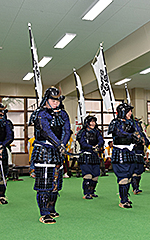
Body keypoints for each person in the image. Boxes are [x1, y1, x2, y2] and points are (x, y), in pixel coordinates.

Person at [29, 87, 71, 224]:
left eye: (57, 100)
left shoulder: (63, 114)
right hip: (44, 151)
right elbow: (46, 131)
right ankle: (44, 213)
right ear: (47, 99)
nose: (55, 103)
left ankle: (51, 208)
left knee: (56, 183)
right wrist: (58, 144)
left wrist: (63, 144)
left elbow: (66, 130)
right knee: (44, 184)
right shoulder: (40, 114)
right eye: (53, 100)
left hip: (58, 151)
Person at [108, 102, 140, 209]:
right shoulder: (115, 122)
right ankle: (123, 200)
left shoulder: (132, 123)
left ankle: (126, 196)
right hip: (120, 152)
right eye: (128, 111)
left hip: (130, 152)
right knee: (123, 176)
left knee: (130, 175)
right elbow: (119, 133)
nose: (130, 113)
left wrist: (139, 137)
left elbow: (138, 133)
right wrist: (131, 135)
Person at [76, 115, 104, 199]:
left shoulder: (97, 132)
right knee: (88, 175)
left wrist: (98, 146)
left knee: (95, 175)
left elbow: (101, 140)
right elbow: (82, 142)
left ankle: (92, 191)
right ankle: (86, 193)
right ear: (87, 123)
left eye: (94, 121)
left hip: (95, 155)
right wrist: (90, 147)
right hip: (85, 155)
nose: (93, 123)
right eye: (91, 121)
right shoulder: (82, 132)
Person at [131, 117, 149, 194]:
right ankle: (135, 188)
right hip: (134, 153)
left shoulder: (141, 134)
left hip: (141, 154)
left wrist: (145, 141)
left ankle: (137, 187)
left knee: (140, 171)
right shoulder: (131, 134)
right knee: (134, 171)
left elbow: (147, 142)